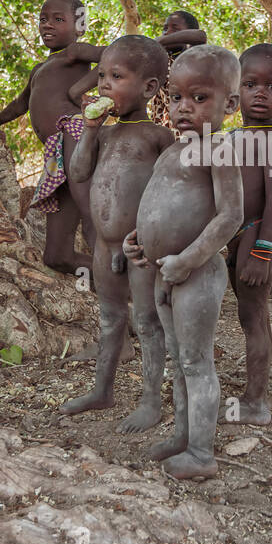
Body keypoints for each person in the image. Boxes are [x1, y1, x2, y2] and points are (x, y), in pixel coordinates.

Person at [124, 45, 243, 479]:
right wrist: (136, 242)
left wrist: (189, 259)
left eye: (199, 98)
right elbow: (155, 206)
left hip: (196, 273)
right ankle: (181, 433)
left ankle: (201, 453)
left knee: (196, 362)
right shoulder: (170, 152)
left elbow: (231, 216)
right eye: (176, 98)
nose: (184, 108)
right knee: (176, 358)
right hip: (161, 271)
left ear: (229, 104)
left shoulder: (220, 149)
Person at [58, 36, 175, 432]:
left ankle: (150, 401)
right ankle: (102, 390)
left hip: (141, 246)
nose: (104, 85)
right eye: (102, 76)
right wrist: (90, 130)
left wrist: (151, 233)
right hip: (103, 246)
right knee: (110, 318)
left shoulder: (158, 136)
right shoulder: (104, 134)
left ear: (149, 88)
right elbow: (77, 173)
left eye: (117, 77)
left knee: (146, 321)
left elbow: (170, 191)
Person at [0, 0, 104, 274]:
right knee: (56, 256)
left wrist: (80, 90)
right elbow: (20, 104)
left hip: (74, 132)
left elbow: (117, 56)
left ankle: (123, 260)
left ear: (80, 26)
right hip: (56, 153)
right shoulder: (39, 69)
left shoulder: (76, 53)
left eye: (58, 19)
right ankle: (125, 285)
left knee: (89, 211)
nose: (48, 25)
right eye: (43, 20)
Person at [223, 44, 272, 426]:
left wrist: (263, 251)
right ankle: (255, 391)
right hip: (237, 234)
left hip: (257, 235)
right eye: (251, 84)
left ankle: (256, 401)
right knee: (251, 316)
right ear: (236, 89)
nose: (261, 93)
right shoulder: (233, 137)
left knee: (253, 316)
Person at [148, 10, 207, 126]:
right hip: (165, 132)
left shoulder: (192, 58)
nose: (167, 32)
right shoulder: (161, 61)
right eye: (165, 29)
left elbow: (200, 36)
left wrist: (161, 40)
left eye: (175, 29)